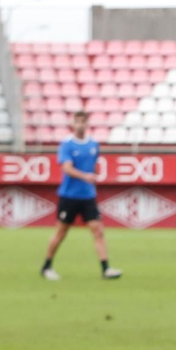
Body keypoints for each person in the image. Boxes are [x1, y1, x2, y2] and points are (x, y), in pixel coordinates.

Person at [41, 111, 122, 280]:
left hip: (87, 196)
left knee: (98, 230)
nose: (80, 125)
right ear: (73, 124)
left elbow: (92, 167)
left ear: (87, 123)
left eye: (83, 121)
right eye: (77, 121)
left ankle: (106, 268)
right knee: (61, 232)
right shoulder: (67, 145)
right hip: (69, 196)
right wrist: (86, 176)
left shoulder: (93, 145)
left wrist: (92, 177)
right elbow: (67, 168)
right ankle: (47, 266)